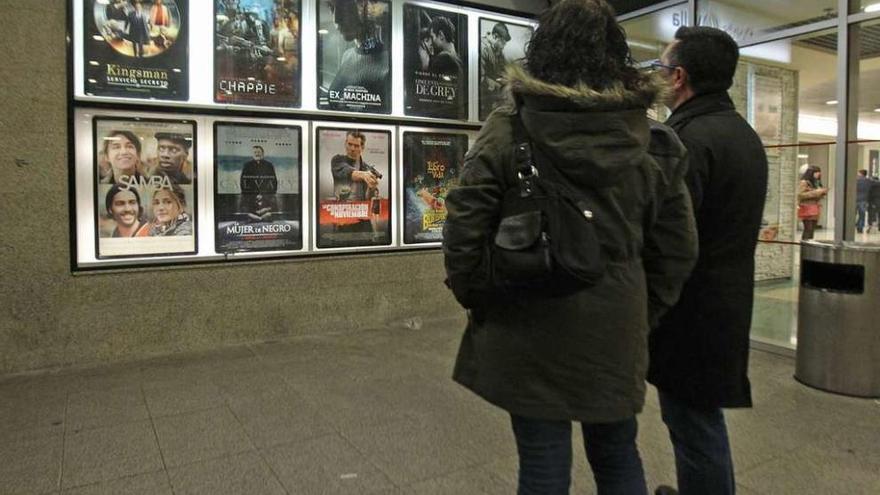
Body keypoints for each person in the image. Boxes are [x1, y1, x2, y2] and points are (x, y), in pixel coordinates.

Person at [442, 1, 698, 493]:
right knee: (618, 450)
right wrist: (642, 312)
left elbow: (463, 225)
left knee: (541, 460)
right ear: (614, 54)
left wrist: (481, 298)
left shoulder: (508, 128)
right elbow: (678, 250)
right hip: (616, 324)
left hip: (527, 314)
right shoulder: (655, 142)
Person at [648, 27, 769, 495]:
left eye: (660, 68)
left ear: (678, 77)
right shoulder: (741, 135)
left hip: (689, 310)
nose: (656, 76)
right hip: (722, 303)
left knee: (694, 427)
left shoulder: (687, 140)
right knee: (700, 422)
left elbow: (669, 236)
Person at [325, 0, 390, 110]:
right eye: (332, 9)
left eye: (344, 7)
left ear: (365, 6)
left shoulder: (389, 63)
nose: (336, 20)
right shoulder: (347, 55)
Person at [479, 22, 511, 116]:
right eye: (503, 42)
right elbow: (480, 77)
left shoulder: (499, 53)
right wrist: (497, 84)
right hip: (482, 100)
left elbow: (505, 72)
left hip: (491, 99)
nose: (504, 46)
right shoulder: (482, 48)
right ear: (495, 37)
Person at [239, 145, 278, 220]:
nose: (257, 154)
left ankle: (259, 216)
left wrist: (263, 195)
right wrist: (254, 195)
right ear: (252, 154)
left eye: (259, 152)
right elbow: (243, 182)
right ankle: (259, 216)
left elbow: (274, 182)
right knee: (247, 208)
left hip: (266, 194)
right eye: (255, 152)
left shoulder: (269, 165)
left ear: (263, 153)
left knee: (269, 209)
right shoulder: (247, 165)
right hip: (251, 195)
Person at [797, 165, 827, 240]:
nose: (818, 175)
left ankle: (809, 245)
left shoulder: (816, 183)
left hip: (815, 207)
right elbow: (800, 195)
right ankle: (805, 247)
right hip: (807, 207)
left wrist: (822, 193)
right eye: (816, 173)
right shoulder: (804, 182)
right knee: (808, 229)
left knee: (812, 230)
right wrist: (815, 192)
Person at [856, 169, 870, 233]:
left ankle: (849, 227)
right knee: (862, 215)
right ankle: (860, 228)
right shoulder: (868, 181)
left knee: (851, 214)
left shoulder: (855, 180)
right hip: (864, 200)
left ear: (860, 174)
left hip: (854, 200)